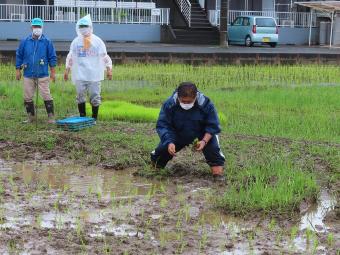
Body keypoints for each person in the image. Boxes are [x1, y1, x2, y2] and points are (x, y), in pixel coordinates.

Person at [151, 82, 225, 180]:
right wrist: (169, 142)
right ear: (178, 96)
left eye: (189, 102)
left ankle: (218, 177)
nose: (186, 104)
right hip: (177, 132)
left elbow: (213, 125)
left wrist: (204, 141)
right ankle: (155, 171)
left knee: (214, 151)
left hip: (202, 132)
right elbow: (163, 125)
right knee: (162, 151)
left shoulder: (205, 104)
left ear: (195, 97)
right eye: (183, 101)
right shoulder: (169, 104)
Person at [64, 14, 112, 120]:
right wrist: (67, 70)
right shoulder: (76, 41)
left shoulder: (97, 41)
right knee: (80, 95)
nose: (83, 29)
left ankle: (94, 118)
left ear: (90, 27)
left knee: (95, 96)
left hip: (94, 74)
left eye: (85, 26)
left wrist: (109, 69)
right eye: (81, 26)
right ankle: (82, 117)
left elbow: (104, 56)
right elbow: (70, 56)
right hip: (80, 74)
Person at [15, 18, 57, 124]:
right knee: (27, 96)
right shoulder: (25, 41)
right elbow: (19, 55)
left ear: (42, 27)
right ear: (31, 27)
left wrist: (53, 72)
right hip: (28, 73)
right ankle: (31, 117)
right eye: (35, 27)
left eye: (39, 27)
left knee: (46, 95)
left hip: (42, 74)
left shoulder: (47, 41)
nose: (37, 29)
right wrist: (18, 70)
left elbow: (52, 57)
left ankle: (51, 117)